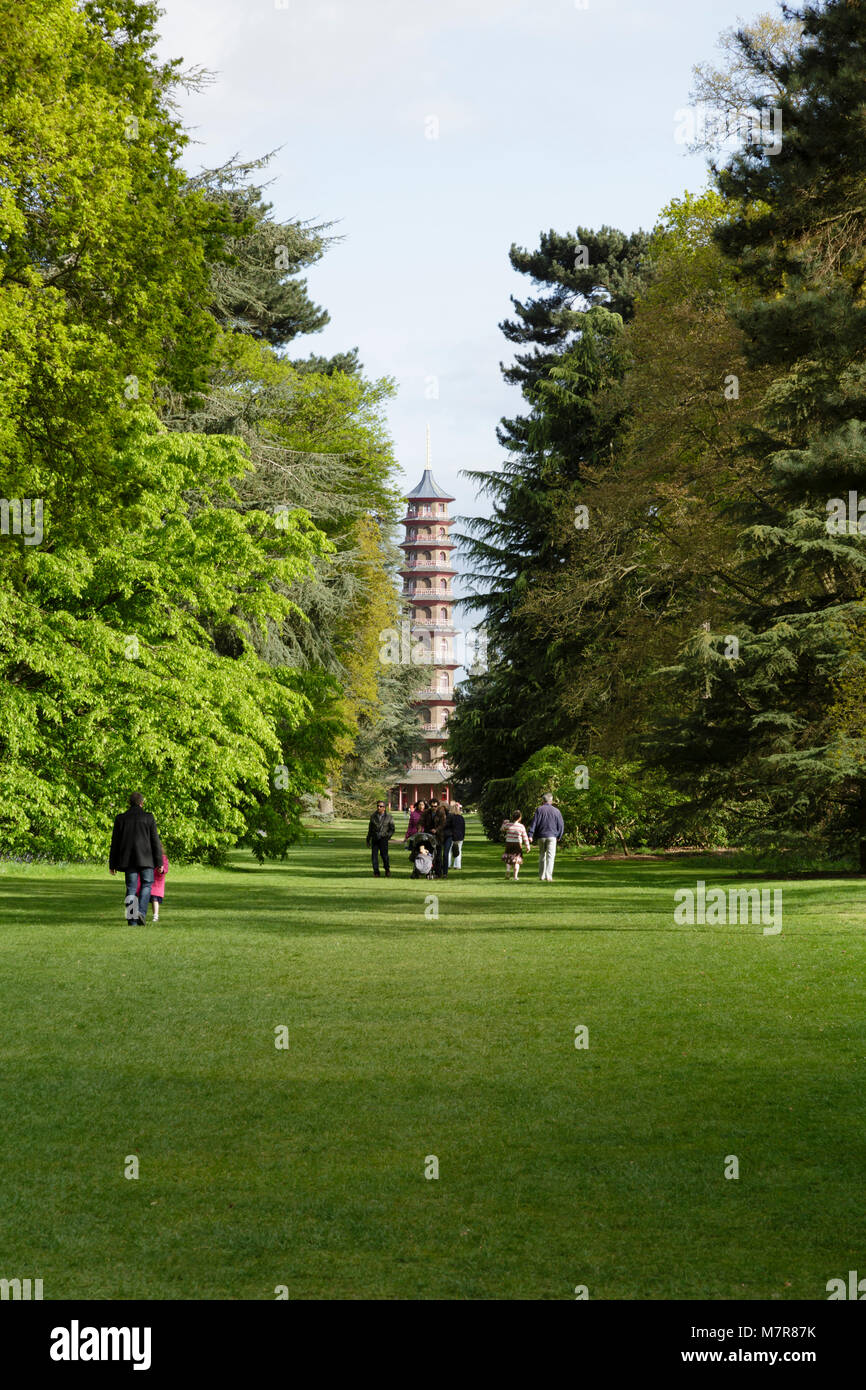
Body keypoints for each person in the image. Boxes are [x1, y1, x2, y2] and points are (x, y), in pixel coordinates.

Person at [109, 792, 165, 926]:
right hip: (146, 859)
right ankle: (141, 912)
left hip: (128, 860)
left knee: (131, 888)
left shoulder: (120, 819)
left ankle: (132, 919)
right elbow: (155, 841)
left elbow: (115, 842)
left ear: (129, 803)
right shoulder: (148, 817)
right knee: (147, 885)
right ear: (142, 803)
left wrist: (112, 864)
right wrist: (159, 862)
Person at [527, 792, 565, 882]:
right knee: (550, 857)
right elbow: (561, 824)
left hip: (541, 836)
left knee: (542, 856)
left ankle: (541, 875)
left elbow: (534, 822)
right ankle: (549, 876)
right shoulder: (556, 811)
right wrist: (560, 835)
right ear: (551, 801)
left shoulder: (539, 810)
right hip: (552, 836)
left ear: (543, 801)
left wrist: (531, 834)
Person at [366, 800, 395, 877]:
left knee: (384, 856)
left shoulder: (389, 817)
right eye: (378, 806)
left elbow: (392, 829)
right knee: (374, 856)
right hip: (375, 838)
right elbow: (370, 829)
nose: (378, 807)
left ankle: (387, 869)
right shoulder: (373, 816)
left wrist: (387, 837)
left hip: (383, 839)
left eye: (381, 806)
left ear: (384, 808)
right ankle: (376, 872)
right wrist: (368, 839)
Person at [137, 853, 168, 922]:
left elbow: (165, 867)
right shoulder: (146, 856)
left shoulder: (163, 857)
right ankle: (139, 914)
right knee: (141, 897)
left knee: (155, 899)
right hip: (145, 880)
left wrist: (162, 870)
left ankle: (155, 916)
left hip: (156, 881)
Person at [500, 810, 530, 880]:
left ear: (512, 817)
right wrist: (527, 846)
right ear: (519, 818)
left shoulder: (508, 825)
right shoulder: (521, 826)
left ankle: (508, 871)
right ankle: (515, 876)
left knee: (508, 859)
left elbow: (502, 829)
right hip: (517, 844)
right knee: (516, 860)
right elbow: (525, 837)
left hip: (509, 843)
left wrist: (504, 823)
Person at [424, 797, 448, 877]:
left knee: (438, 856)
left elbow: (443, 823)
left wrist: (436, 830)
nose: (433, 808)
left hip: (438, 836)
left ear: (438, 806)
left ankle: (438, 872)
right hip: (428, 835)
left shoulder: (441, 812)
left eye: (435, 806)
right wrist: (420, 827)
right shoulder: (427, 812)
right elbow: (421, 821)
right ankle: (428, 871)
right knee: (428, 854)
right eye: (432, 806)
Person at [448, 802, 466, 870]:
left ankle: (448, 865)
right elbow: (463, 828)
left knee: (449, 851)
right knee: (458, 851)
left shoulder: (450, 817)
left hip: (451, 836)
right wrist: (463, 836)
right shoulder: (461, 818)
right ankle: (457, 865)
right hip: (460, 836)